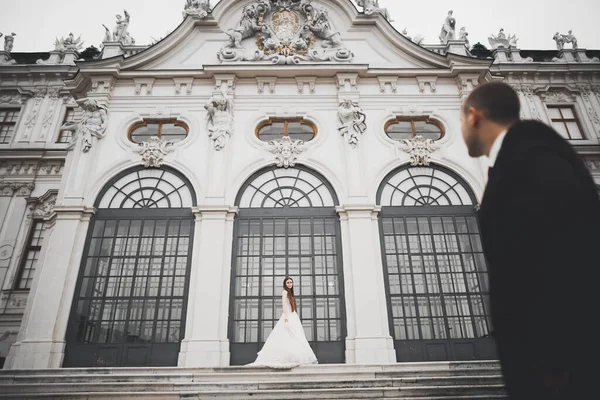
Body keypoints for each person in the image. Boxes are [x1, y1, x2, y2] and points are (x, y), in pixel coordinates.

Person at [460, 81, 599, 399]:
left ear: (473, 116)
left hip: (557, 362)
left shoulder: (531, 164)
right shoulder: (527, 158)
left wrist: (553, 356)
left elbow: (562, 257)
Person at [248, 277, 318, 369]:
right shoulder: (285, 292)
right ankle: (286, 357)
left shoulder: (291, 293)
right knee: (286, 335)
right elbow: (284, 305)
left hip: (293, 315)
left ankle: (294, 357)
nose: (289, 284)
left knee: (296, 336)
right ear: (285, 284)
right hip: (287, 316)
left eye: (291, 282)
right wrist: (285, 318)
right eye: (288, 282)